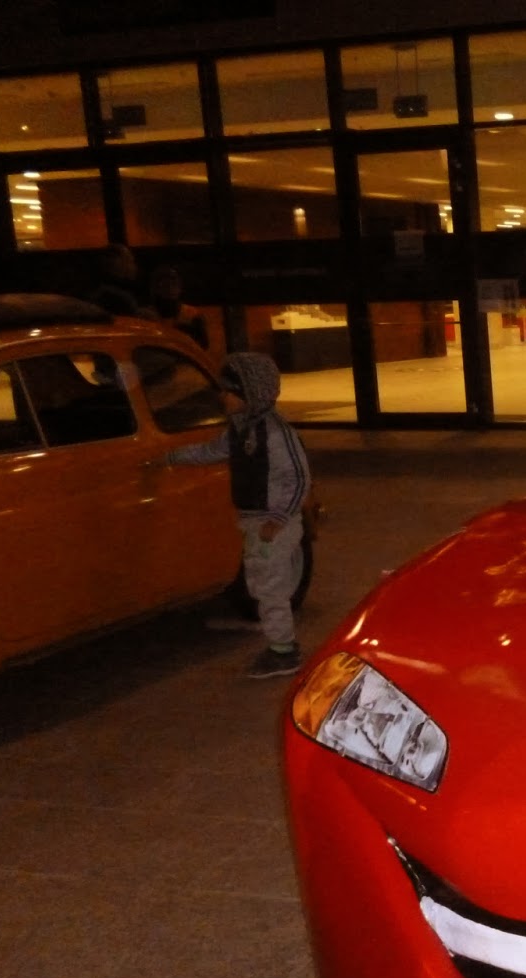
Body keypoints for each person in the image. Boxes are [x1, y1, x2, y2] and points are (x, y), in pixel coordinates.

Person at [165, 352, 312, 679]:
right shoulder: (241, 428)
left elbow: (299, 478)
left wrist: (278, 519)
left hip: (273, 523)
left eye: (229, 391)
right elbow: (211, 451)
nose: (222, 397)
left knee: (270, 587)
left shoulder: (275, 433)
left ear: (250, 393)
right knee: (261, 583)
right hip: (255, 521)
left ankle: (284, 652)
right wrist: (172, 456)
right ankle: (279, 639)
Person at [147, 265, 210, 347]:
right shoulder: (147, 315)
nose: (170, 288)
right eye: (165, 284)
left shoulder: (193, 315)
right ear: (157, 288)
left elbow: (203, 345)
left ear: (180, 288)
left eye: (174, 283)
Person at [87, 243, 148, 317]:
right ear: (116, 265)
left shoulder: (101, 291)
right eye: (130, 261)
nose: (134, 266)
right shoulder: (119, 298)